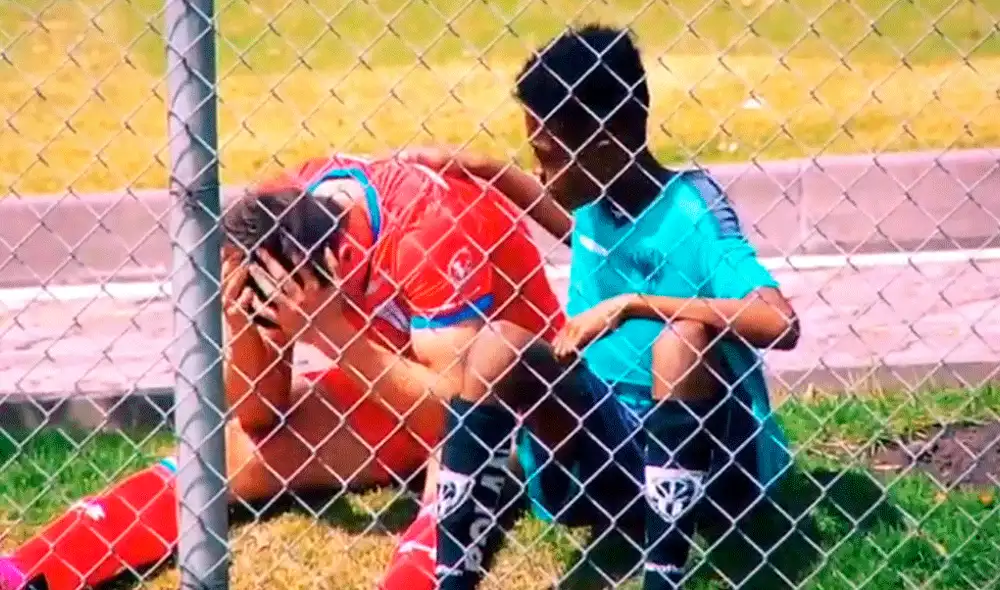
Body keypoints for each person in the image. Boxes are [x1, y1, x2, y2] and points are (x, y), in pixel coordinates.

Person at [0, 153, 569, 590]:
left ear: (345, 262)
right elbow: (258, 413)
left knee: (453, 471)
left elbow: (459, 417)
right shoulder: (276, 222)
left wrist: (332, 333)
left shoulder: (430, 227)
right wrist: (247, 324)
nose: (285, 319)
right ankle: (28, 571)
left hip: (504, 398)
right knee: (225, 455)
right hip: (393, 378)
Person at [398, 24, 801, 589]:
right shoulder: (597, 198)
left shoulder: (693, 212)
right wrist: (486, 170)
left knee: (681, 340)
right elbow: (581, 233)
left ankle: (664, 574)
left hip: (712, 464)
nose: (539, 171)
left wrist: (635, 305)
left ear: (605, 145)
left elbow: (779, 322)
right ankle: (452, 576)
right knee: (494, 347)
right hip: (603, 453)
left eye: (547, 155)